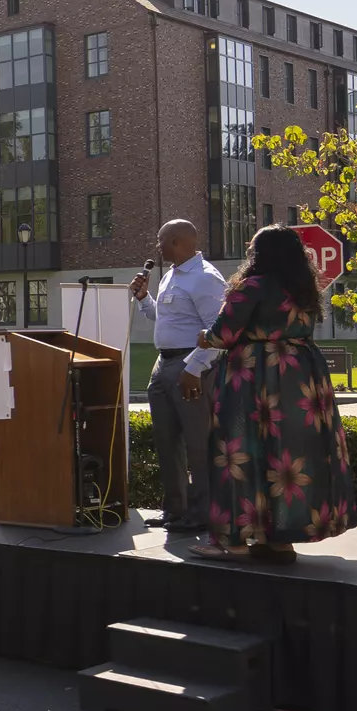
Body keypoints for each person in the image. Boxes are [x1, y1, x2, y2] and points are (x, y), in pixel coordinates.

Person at [192, 225, 357, 562]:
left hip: (254, 376)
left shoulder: (252, 286)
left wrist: (203, 337)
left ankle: (233, 540)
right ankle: (279, 539)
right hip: (301, 378)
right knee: (286, 455)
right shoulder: (303, 288)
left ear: (260, 253)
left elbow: (224, 333)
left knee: (238, 452)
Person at [129, 218, 227, 532]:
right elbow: (166, 317)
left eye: (161, 240)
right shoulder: (170, 276)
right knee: (165, 441)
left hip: (191, 367)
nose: (157, 247)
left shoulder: (206, 278)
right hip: (163, 366)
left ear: (176, 242)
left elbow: (219, 332)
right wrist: (145, 299)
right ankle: (175, 510)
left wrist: (194, 367)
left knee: (198, 444)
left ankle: (201, 515)